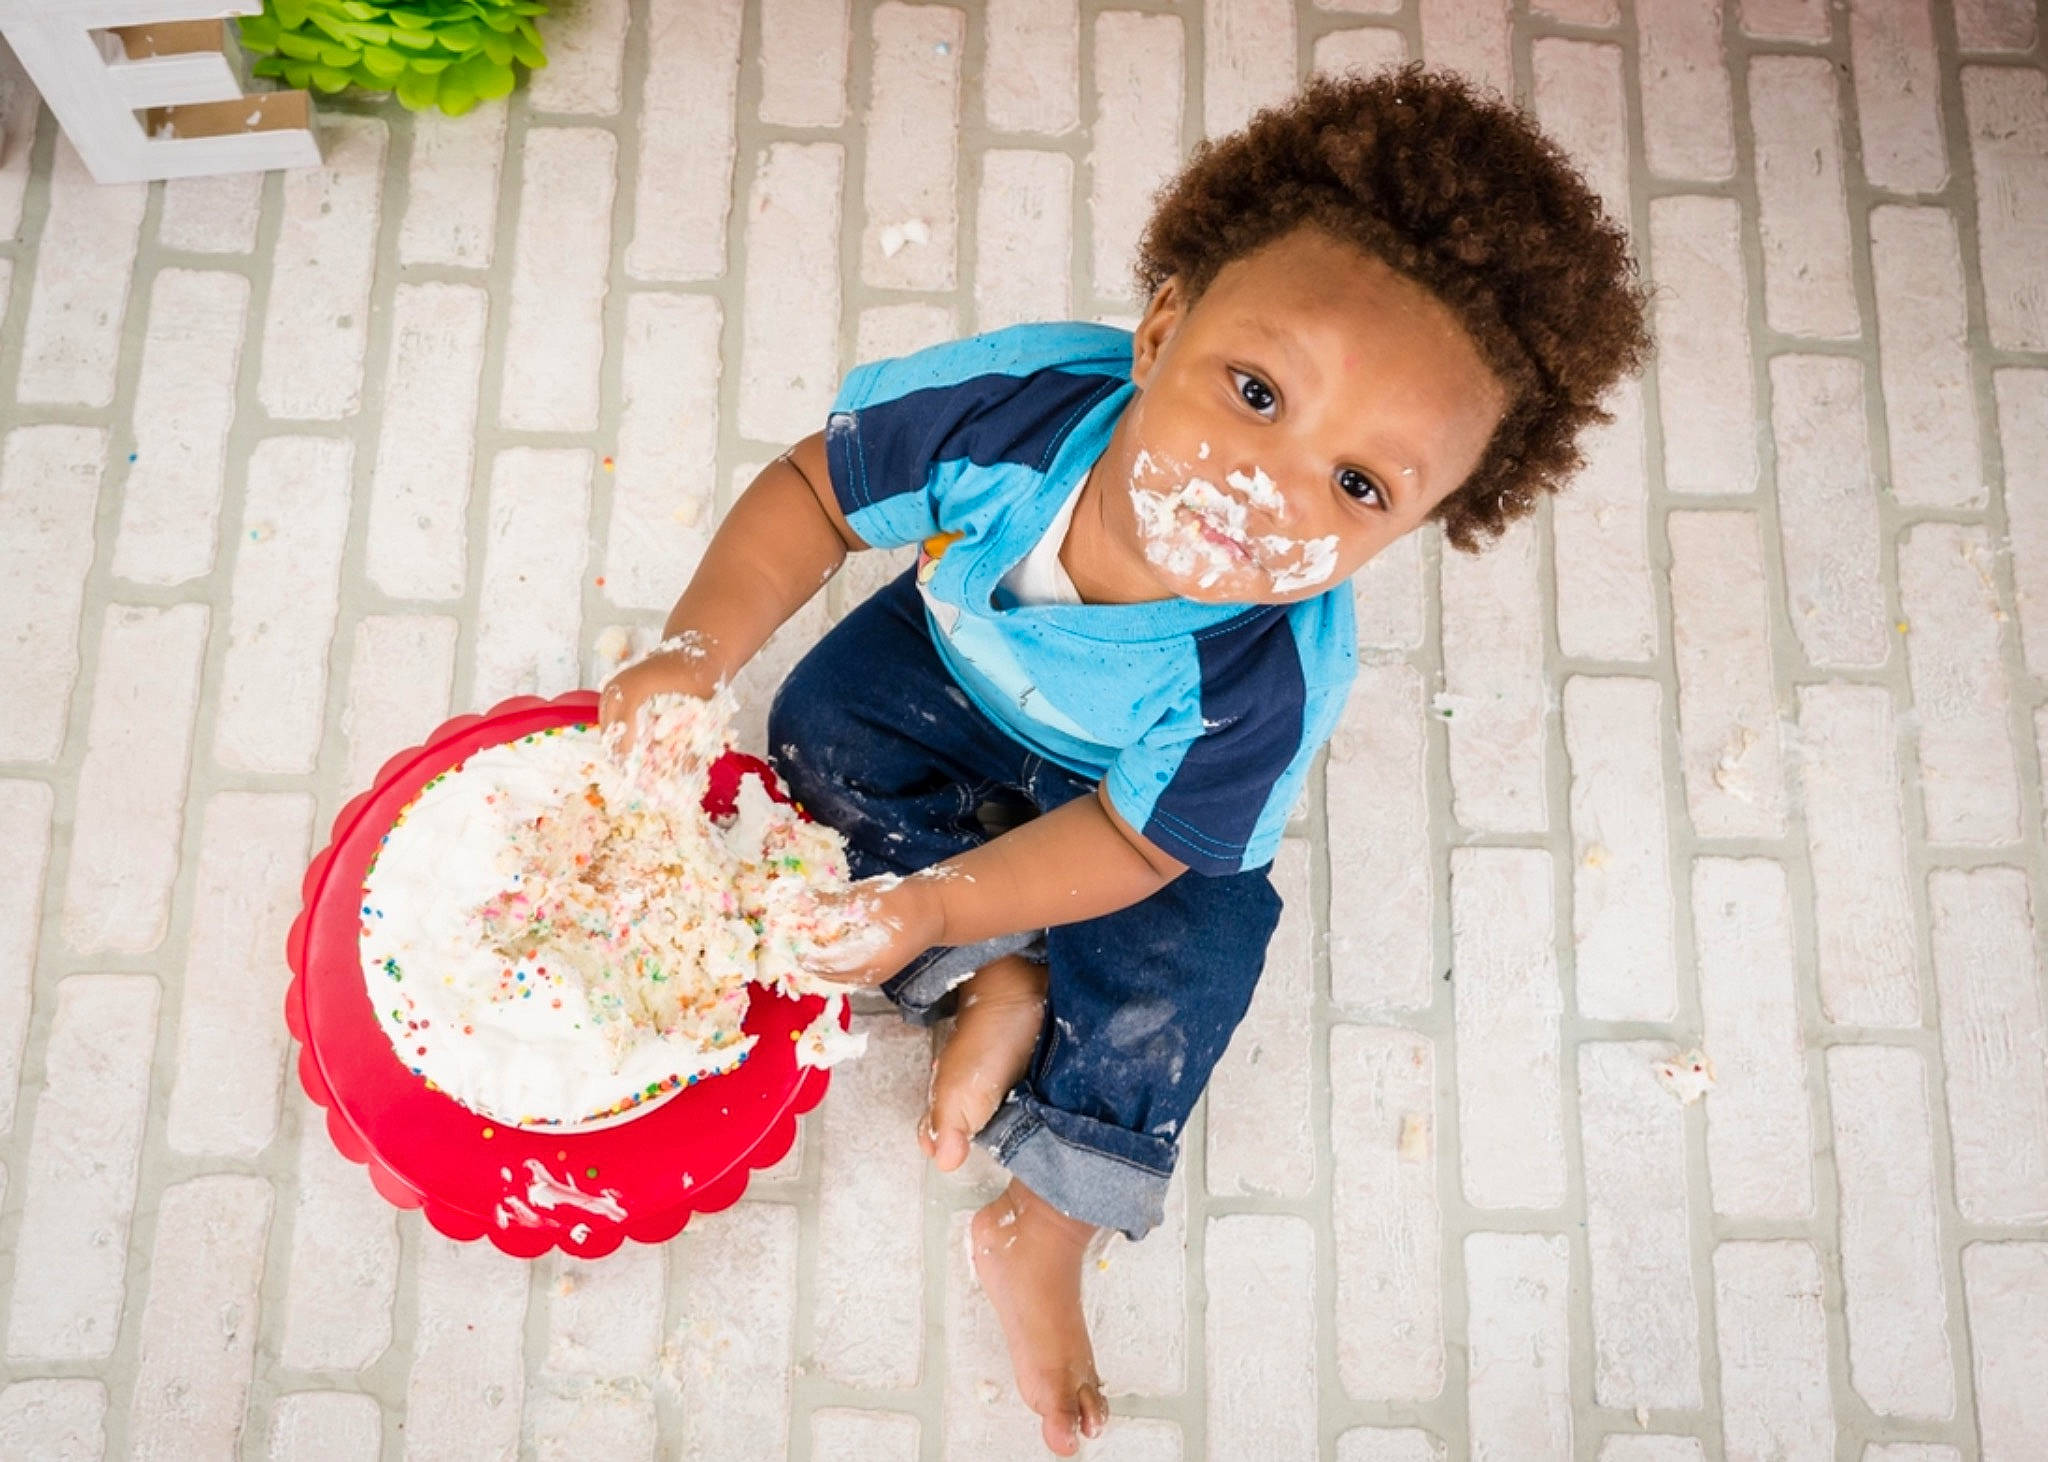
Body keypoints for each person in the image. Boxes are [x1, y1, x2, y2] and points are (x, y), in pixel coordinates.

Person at [601, 64, 1649, 1455]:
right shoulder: (1011, 413)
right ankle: (998, 977)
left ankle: (1048, 1216)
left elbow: (1139, 844)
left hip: (1138, 810)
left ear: (1405, 533)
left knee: (1183, 970)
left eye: (1357, 487)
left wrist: (936, 893)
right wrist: (692, 651)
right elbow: (813, 493)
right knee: (814, 734)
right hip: (958, 673)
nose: (1270, 486)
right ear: (1161, 329)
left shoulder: (1266, 677)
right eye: (1259, 388)